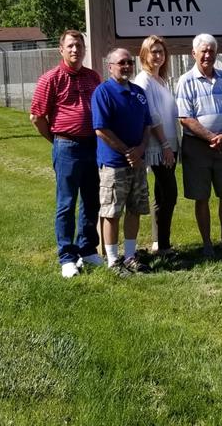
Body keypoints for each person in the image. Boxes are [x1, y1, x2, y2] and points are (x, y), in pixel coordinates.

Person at [29, 29, 104, 278]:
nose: (75, 50)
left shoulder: (93, 77)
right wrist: (56, 140)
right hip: (66, 146)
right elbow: (37, 117)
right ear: (61, 49)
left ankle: (88, 250)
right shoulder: (51, 78)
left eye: (79, 46)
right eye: (71, 46)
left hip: (92, 145)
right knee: (66, 203)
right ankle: (67, 257)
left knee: (91, 200)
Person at [176, 33, 222, 257]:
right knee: (201, 196)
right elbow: (185, 118)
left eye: (211, 51)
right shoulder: (185, 81)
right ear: (194, 53)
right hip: (198, 146)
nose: (207, 55)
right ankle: (206, 244)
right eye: (203, 51)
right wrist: (212, 137)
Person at [92, 47, 153, 274]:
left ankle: (130, 256)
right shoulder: (103, 92)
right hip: (113, 164)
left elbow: (147, 125)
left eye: (129, 62)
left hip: (137, 162)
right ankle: (112, 260)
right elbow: (101, 129)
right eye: (121, 63)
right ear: (110, 67)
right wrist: (127, 151)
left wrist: (141, 149)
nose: (126, 66)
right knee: (111, 212)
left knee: (135, 209)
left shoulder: (138, 92)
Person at [132, 35, 179, 259]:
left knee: (162, 195)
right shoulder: (144, 80)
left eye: (161, 51)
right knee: (169, 193)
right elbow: (152, 116)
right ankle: (164, 245)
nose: (158, 56)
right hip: (159, 147)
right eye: (154, 52)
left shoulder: (160, 79)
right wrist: (165, 145)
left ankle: (159, 241)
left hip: (170, 144)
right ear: (144, 55)